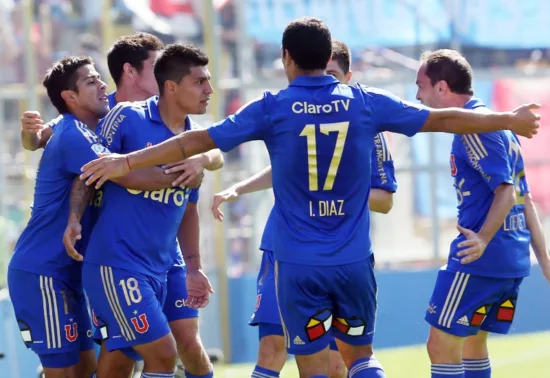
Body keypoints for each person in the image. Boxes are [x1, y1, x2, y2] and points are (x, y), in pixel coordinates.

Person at [79, 18, 541, 378]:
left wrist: (125, 162)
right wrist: (508, 119)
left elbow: (196, 144)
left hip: (296, 264)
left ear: (287, 59)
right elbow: (443, 120)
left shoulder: (273, 106)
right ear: (329, 59)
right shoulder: (363, 100)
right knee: (360, 356)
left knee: (312, 362)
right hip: (353, 259)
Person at [20, 32, 222, 378]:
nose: (207, 89)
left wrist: (202, 162)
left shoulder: (180, 128)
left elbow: (213, 146)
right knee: (141, 354)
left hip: (152, 257)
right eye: (158, 66)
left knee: (157, 349)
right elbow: (94, 167)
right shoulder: (106, 118)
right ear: (131, 71)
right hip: (81, 262)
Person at [204, 40, 397, 378]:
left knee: (336, 362)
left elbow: (384, 199)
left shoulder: (365, 124)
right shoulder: (292, 113)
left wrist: (337, 194)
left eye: (334, 75)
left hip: (337, 252)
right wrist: (240, 187)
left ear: (348, 76)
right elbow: (289, 171)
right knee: (271, 348)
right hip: (283, 248)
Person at [79, 44, 216, 378]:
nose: (209, 90)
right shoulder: (126, 117)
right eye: (199, 82)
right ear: (171, 87)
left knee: (173, 347)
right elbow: (88, 169)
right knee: (163, 353)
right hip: (118, 264)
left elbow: (188, 209)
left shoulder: (196, 141)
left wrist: (194, 267)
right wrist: (72, 219)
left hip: (164, 265)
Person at [415, 49, 550, 378]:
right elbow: (525, 198)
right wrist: (544, 262)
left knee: (440, 346)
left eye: (421, 85)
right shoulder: (501, 126)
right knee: (473, 345)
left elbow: (506, 191)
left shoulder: (473, 127)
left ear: (442, 88)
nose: (417, 95)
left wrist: (483, 240)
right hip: (510, 258)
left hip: (482, 259)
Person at [8, 56, 109, 378]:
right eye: (91, 81)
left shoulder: (78, 126)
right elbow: (128, 175)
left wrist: (33, 137)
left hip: (66, 273)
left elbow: (37, 139)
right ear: (70, 97)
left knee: (85, 370)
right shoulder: (75, 134)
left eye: (100, 78)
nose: (103, 85)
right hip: (43, 273)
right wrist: (185, 164)